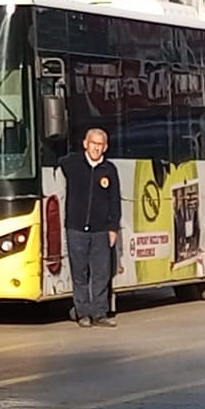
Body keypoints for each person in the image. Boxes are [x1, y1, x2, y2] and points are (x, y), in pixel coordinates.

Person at [59, 127, 121, 327]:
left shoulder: (109, 170)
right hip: (76, 227)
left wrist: (113, 228)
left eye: (100, 145)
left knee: (101, 273)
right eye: (93, 143)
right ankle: (82, 313)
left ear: (105, 147)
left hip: (101, 230)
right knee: (80, 273)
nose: (96, 148)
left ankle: (100, 313)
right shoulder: (73, 163)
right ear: (86, 144)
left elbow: (115, 201)